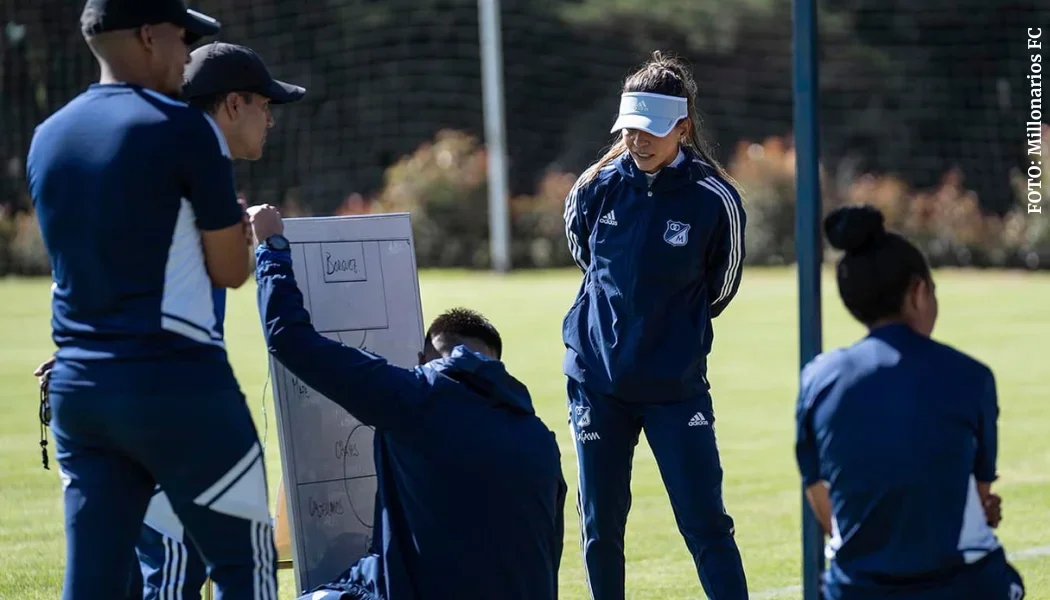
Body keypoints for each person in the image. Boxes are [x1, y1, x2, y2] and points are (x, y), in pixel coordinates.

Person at [35, 39, 306, 600]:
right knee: (198, 567)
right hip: (170, 394)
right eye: (265, 105)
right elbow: (229, 273)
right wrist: (251, 241)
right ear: (233, 105)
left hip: (90, 396)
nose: (271, 121)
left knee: (108, 578)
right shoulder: (189, 157)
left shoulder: (106, 153)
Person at [247, 204, 566, 600]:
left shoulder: (416, 397)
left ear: (424, 359)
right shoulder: (539, 437)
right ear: (494, 366)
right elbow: (547, 554)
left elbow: (289, 340)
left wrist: (272, 249)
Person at [560, 51, 748, 599]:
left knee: (706, 524)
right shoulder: (592, 189)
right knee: (600, 529)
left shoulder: (716, 199)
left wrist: (671, 328)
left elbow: (723, 283)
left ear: (682, 128)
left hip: (674, 387)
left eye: (651, 130)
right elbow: (586, 256)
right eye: (629, 129)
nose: (637, 140)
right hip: (598, 383)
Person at [794, 205, 1026, 600]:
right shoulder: (970, 376)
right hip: (959, 585)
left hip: (856, 588)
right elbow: (980, 491)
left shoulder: (818, 379)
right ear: (918, 293)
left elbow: (821, 499)